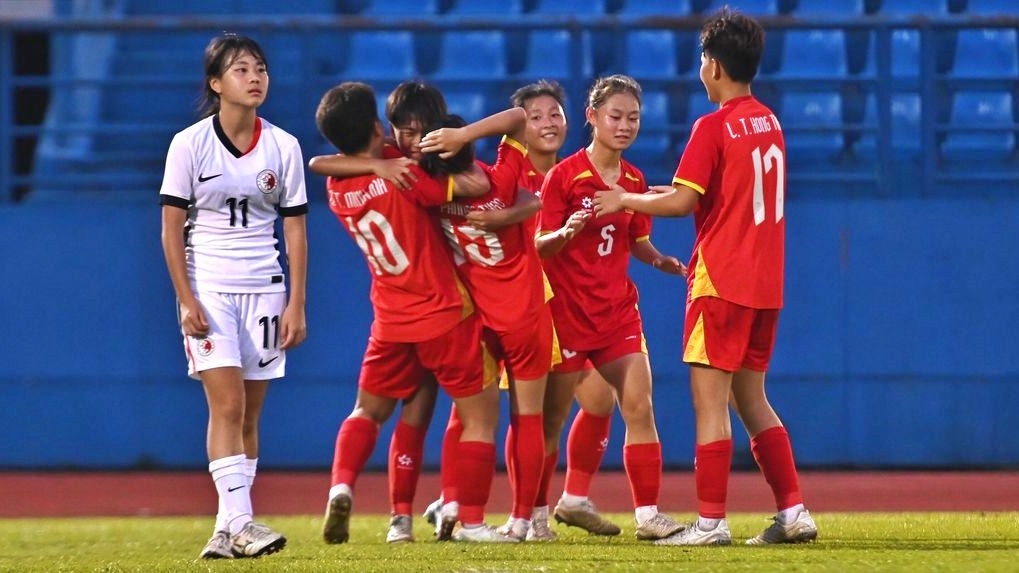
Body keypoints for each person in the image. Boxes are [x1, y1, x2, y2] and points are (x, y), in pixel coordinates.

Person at [592, 9, 818, 546]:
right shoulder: (770, 120)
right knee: (751, 397)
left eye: (701, 59)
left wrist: (623, 198)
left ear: (713, 66)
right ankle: (794, 512)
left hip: (721, 279)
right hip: (766, 283)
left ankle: (712, 522)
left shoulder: (713, 126)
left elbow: (681, 199)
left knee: (710, 402)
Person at [419, 80, 621, 540]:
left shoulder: (570, 173)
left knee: (588, 402)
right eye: (535, 116)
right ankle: (489, 506)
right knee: (506, 415)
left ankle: (556, 503)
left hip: (557, 308)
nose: (547, 123)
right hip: (525, 309)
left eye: (555, 114)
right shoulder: (502, 174)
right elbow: (527, 205)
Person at [315, 81, 511, 544]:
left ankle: (355, 494)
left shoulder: (336, 185)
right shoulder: (403, 176)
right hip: (442, 312)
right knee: (479, 418)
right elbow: (476, 184)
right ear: (375, 126)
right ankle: (470, 519)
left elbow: (318, 161)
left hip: (390, 319)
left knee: (369, 411)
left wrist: (377, 160)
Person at [159, 33, 308, 560]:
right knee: (227, 404)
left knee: (249, 416)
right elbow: (171, 228)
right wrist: (185, 298)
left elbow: (294, 230)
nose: (255, 77)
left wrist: (296, 302)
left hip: (265, 290)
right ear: (215, 83)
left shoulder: (284, 146)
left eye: (261, 68)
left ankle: (226, 530)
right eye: (241, 69)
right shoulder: (189, 144)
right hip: (210, 287)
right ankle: (243, 523)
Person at [534, 74, 686, 541]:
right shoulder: (564, 176)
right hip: (567, 316)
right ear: (592, 117)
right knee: (552, 421)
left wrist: (657, 259)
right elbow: (541, 245)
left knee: (638, 404)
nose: (624, 126)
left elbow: (637, 239)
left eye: (633, 118)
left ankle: (648, 516)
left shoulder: (635, 179)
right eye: (616, 116)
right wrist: (567, 233)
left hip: (617, 312)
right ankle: (535, 515)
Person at [415, 110, 551, 542]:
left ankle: (455, 501)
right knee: (528, 418)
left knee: (467, 415)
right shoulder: (502, 181)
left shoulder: (434, 198)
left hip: (476, 317)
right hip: (526, 314)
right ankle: (522, 520)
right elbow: (518, 118)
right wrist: (464, 132)